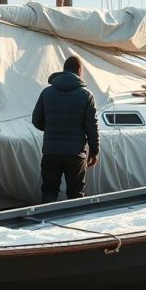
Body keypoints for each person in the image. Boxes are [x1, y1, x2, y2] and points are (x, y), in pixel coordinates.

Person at [32, 55, 100, 203]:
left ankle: (46, 223)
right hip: (75, 154)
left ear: (63, 70)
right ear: (80, 71)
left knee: (49, 192)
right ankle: (73, 222)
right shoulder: (87, 95)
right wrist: (94, 151)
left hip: (51, 151)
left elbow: (36, 120)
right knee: (75, 194)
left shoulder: (47, 92)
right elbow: (92, 127)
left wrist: (51, 128)